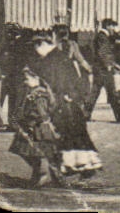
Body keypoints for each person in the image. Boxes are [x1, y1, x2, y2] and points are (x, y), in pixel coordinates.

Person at [35, 26, 102, 177]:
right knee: (75, 133)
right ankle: (84, 165)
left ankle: (76, 165)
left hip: (64, 100)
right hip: (68, 98)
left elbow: (61, 79)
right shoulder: (57, 55)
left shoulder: (55, 57)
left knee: (69, 133)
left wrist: (67, 94)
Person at [10, 64, 61, 187]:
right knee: (35, 152)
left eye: (27, 79)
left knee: (39, 152)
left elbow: (41, 113)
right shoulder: (33, 92)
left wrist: (31, 120)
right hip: (34, 127)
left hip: (38, 128)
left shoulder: (39, 95)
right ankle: (42, 173)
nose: (25, 82)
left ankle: (46, 174)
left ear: (37, 78)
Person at [86, 18, 120, 123]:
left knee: (95, 92)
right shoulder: (102, 37)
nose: (114, 28)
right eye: (112, 26)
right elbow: (103, 52)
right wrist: (109, 65)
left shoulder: (103, 36)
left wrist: (114, 65)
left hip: (100, 69)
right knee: (112, 94)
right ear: (107, 26)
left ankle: (85, 115)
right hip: (104, 70)